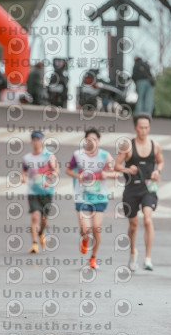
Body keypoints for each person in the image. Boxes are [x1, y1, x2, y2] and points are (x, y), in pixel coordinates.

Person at [114, 113, 164, 271]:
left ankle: (148, 258)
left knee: (148, 219)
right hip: (131, 188)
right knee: (133, 224)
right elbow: (116, 166)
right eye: (141, 127)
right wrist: (128, 169)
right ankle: (132, 252)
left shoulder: (155, 146)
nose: (144, 130)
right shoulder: (127, 146)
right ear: (135, 128)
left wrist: (157, 171)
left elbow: (160, 161)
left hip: (149, 187)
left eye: (146, 127)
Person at [66, 129, 120, 268]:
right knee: (85, 229)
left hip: (99, 197)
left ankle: (93, 258)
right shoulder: (77, 155)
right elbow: (68, 170)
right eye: (89, 139)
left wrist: (107, 175)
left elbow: (117, 173)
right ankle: (85, 238)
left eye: (95, 140)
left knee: (96, 228)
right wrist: (78, 176)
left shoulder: (104, 155)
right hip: (82, 196)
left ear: (99, 141)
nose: (92, 142)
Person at [21, 131, 59, 254]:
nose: (36, 141)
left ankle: (41, 233)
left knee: (44, 219)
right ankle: (34, 244)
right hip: (33, 192)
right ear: (31, 141)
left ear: (42, 140)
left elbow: (56, 171)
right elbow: (24, 170)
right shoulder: (27, 158)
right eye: (34, 139)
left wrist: (49, 179)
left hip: (46, 192)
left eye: (38, 139)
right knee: (35, 216)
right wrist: (23, 177)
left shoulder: (49, 156)